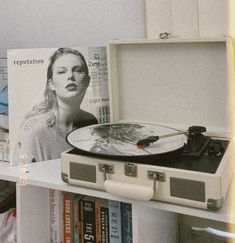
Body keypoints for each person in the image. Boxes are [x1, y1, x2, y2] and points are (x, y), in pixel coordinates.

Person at [13, 47, 97, 163]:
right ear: (51, 84)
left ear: (87, 81)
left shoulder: (90, 122)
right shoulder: (34, 131)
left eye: (77, 70)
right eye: (62, 72)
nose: (70, 76)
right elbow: (22, 178)